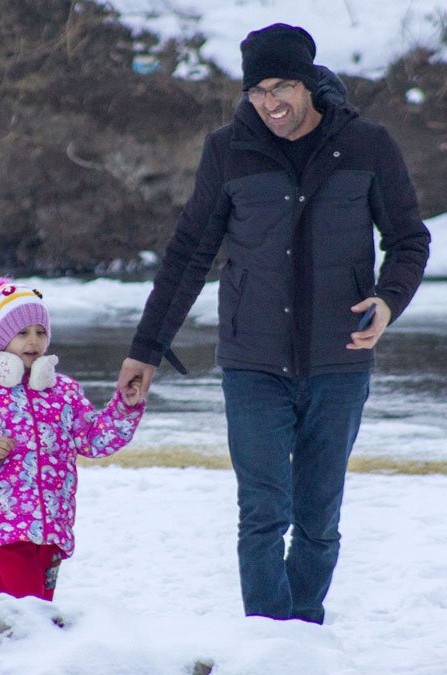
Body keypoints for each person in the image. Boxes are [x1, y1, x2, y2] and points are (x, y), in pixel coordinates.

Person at [117, 23, 431, 624]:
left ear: (310, 81)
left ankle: (301, 637)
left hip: (339, 360)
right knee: (263, 513)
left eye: (282, 85)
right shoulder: (229, 150)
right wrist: (147, 348)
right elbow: (188, 255)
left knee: (317, 521)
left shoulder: (367, 146)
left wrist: (388, 302)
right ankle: (266, 644)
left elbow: (409, 241)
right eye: (258, 90)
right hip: (253, 361)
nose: (271, 103)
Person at [0, 277, 146, 600]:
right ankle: (10, 648)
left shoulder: (62, 391)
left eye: (40, 331)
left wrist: (126, 407)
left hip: (51, 529)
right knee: (27, 612)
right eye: (22, 333)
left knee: (39, 618)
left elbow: (93, 439)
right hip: (2, 529)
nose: (34, 340)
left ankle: (7, 647)